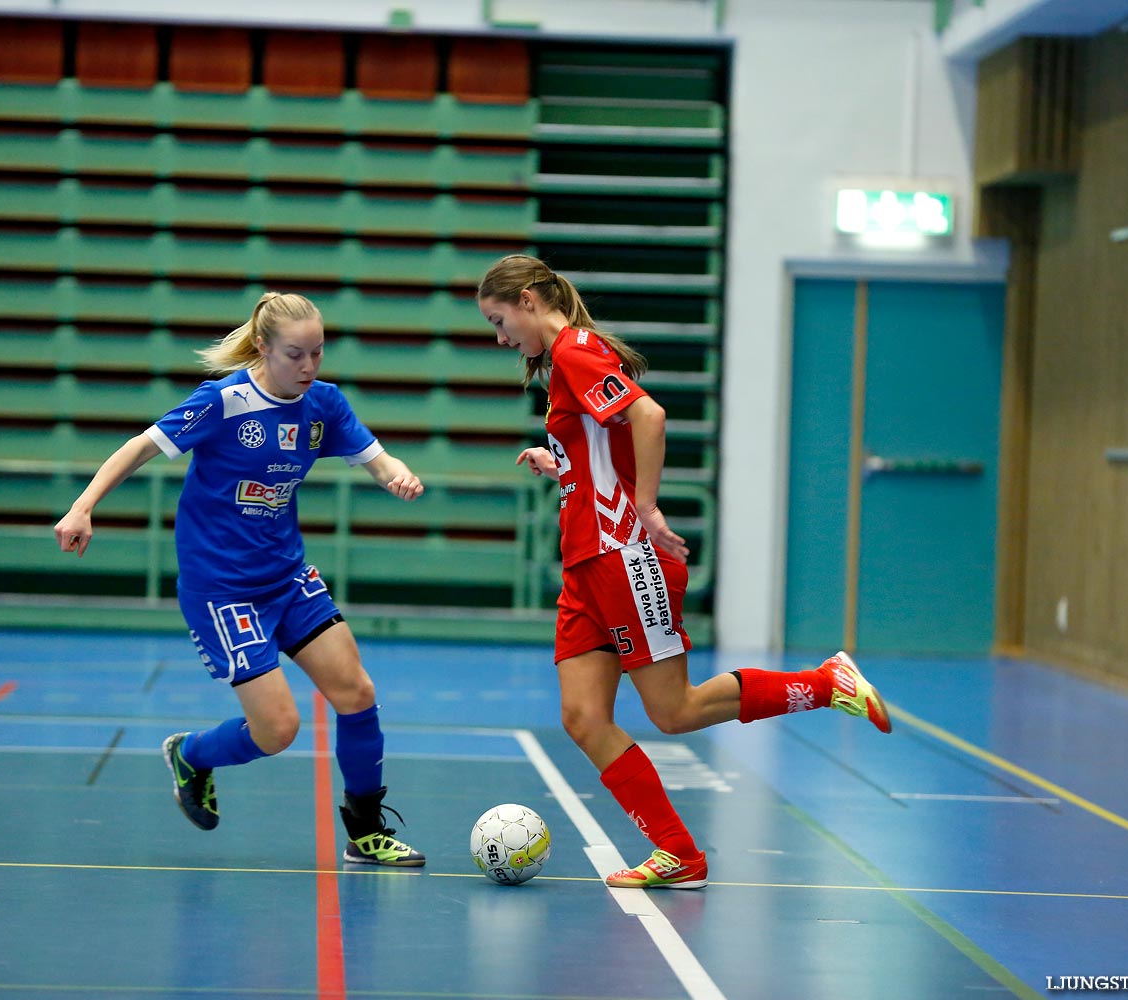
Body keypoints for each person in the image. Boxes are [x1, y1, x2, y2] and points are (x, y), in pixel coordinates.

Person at [477, 254, 893, 890]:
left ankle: (824, 683)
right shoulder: (566, 358)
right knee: (584, 718)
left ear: (529, 300)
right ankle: (678, 854)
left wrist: (644, 507)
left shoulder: (572, 351)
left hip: (619, 556)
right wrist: (559, 461)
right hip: (585, 566)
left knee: (672, 711)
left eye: (500, 320)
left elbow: (648, 416)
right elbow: (602, 448)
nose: (500, 338)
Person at [53, 291, 426, 867]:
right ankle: (192, 755)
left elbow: (377, 459)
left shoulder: (323, 404)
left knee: (358, 693)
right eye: (295, 355)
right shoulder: (223, 403)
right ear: (262, 349)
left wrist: (397, 476)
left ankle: (365, 832)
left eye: (318, 354)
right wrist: (83, 507)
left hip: (287, 576)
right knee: (278, 729)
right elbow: (138, 448)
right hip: (222, 589)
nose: (308, 367)